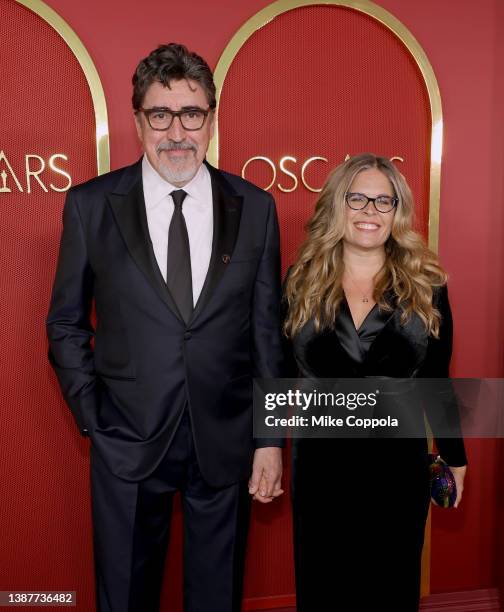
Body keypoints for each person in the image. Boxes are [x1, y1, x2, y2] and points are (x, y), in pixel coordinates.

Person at [46, 43, 284, 612]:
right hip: (126, 440)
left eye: (191, 114)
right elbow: (65, 322)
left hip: (224, 440)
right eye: (161, 114)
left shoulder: (255, 207)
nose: (177, 132)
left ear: (211, 118)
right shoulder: (90, 205)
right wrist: (93, 418)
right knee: (124, 596)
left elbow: (268, 335)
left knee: (216, 598)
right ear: (138, 121)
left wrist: (271, 439)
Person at [283, 153, 467, 611]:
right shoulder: (299, 283)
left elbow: (436, 381)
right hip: (321, 469)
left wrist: (454, 457)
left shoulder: (428, 287)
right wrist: (263, 447)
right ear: (336, 207)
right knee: (324, 587)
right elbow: (275, 374)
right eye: (358, 198)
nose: (370, 211)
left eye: (384, 201)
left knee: (391, 588)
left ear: (397, 212)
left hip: (396, 472)